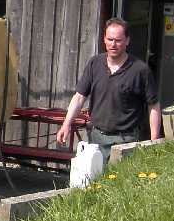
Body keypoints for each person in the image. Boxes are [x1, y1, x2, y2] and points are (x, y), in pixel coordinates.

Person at [56, 18, 161, 165]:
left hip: (126, 141)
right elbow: (79, 97)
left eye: (118, 40)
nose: (113, 44)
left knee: (119, 179)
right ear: (104, 39)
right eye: (110, 39)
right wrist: (66, 124)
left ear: (127, 41)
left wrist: (154, 140)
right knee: (93, 178)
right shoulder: (94, 64)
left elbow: (153, 105)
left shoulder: (140, 70)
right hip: (96, 138)